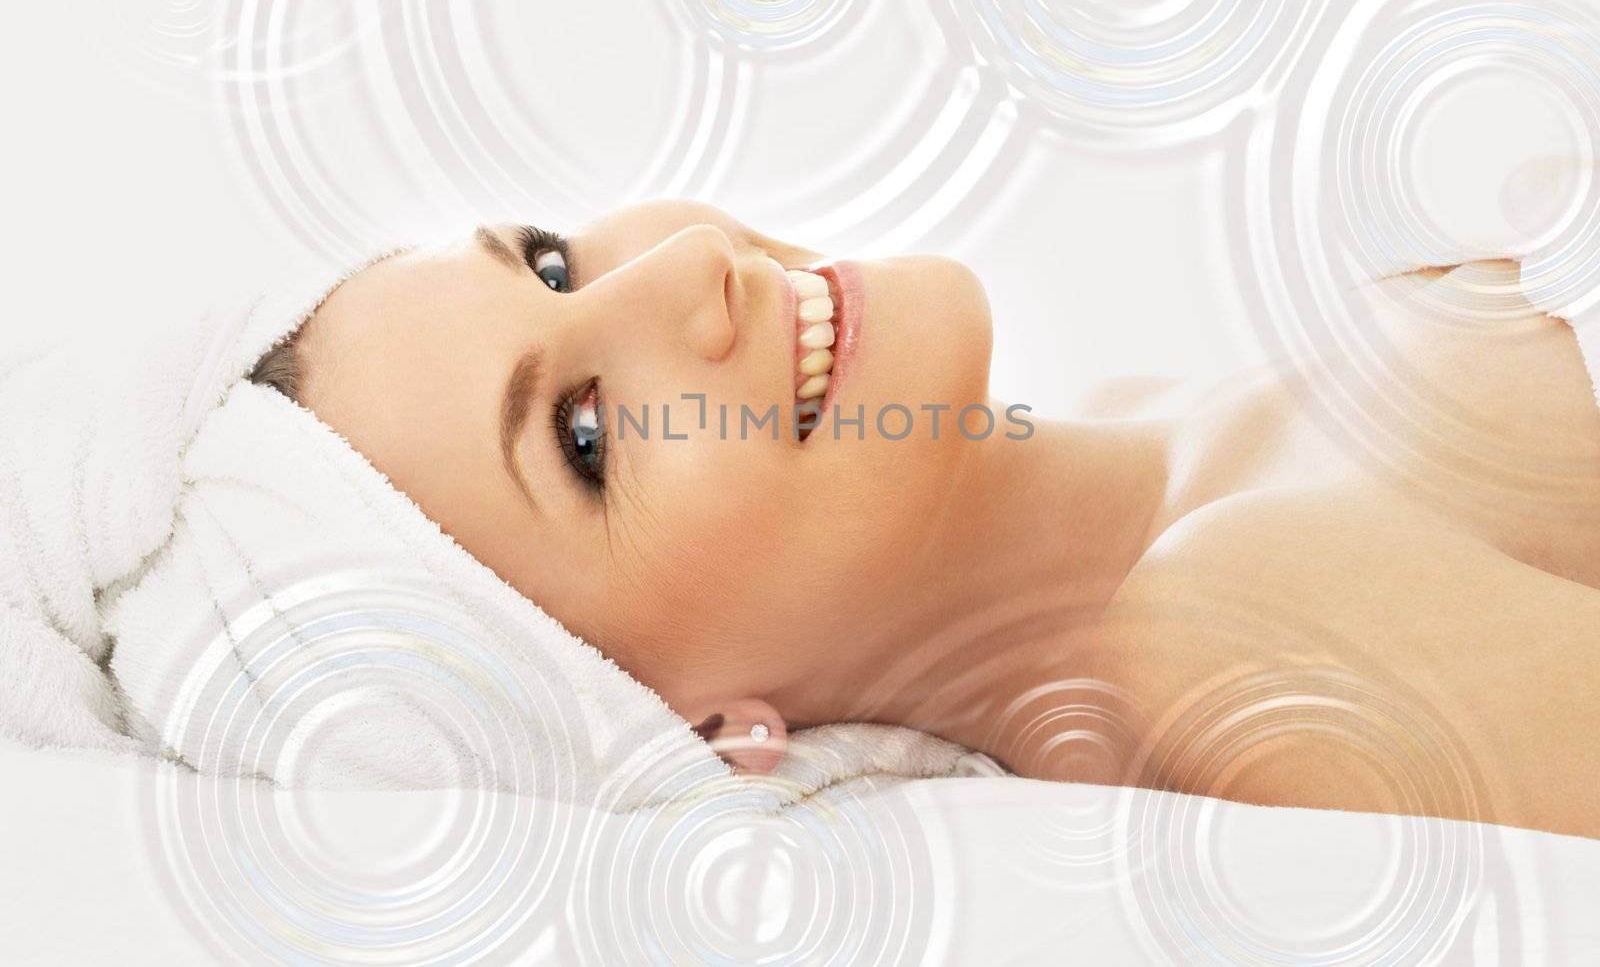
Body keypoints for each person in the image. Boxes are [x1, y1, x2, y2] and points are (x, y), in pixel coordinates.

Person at [251, 197, 1600, 840]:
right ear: (709, 735)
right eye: (588, 439)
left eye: (550, 262)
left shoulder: (1219, 355)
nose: (684, 270)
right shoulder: (1242, 635)